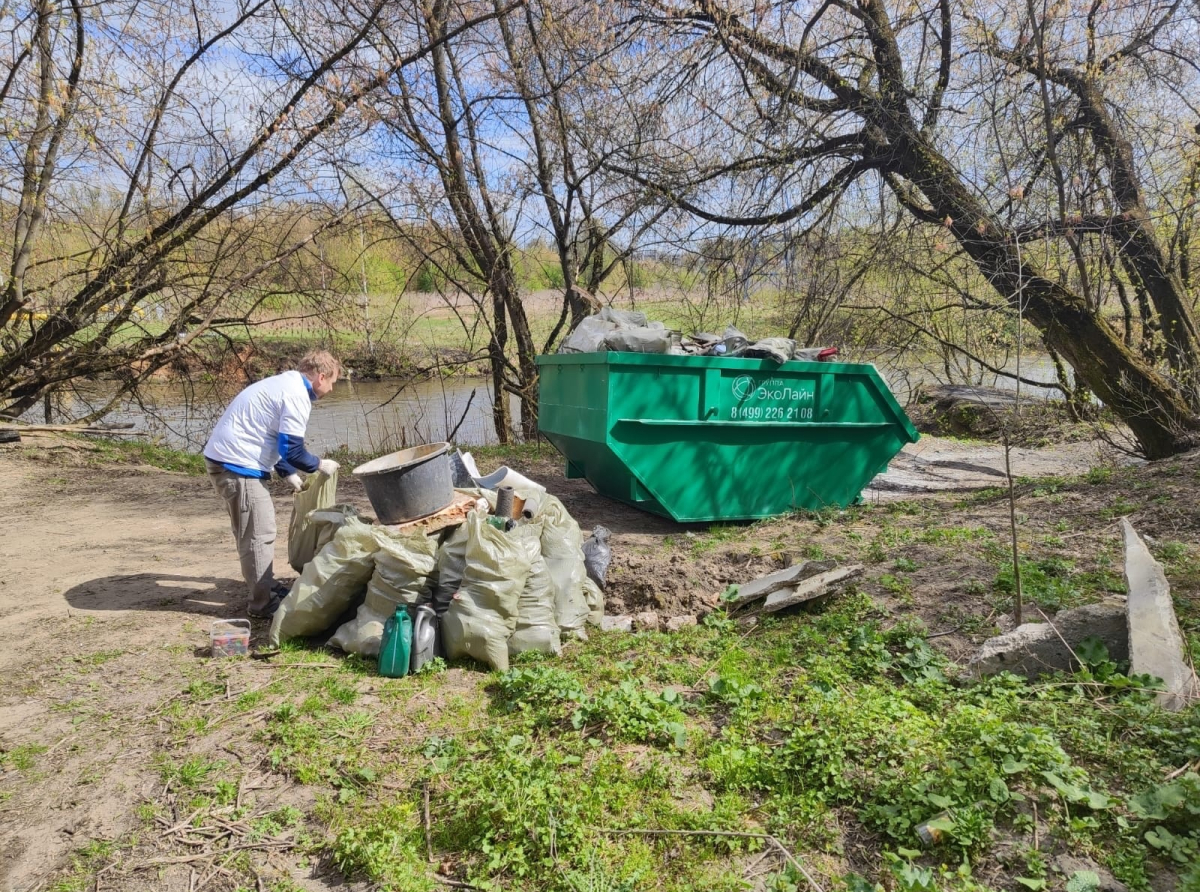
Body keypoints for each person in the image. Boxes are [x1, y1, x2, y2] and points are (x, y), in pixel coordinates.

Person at [203, 350, 342, 617]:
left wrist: (287, 472)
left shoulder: (285, 384)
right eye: (333, 382)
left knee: (253, 532)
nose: (332, 388)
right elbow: (292, 449)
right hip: (236, 466)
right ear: (320, 377)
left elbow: (273, 436)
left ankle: (265, 586)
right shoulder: (296, 396)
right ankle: (262, 605)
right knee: (258, 535)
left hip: (231, 460)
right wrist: (319, 464)